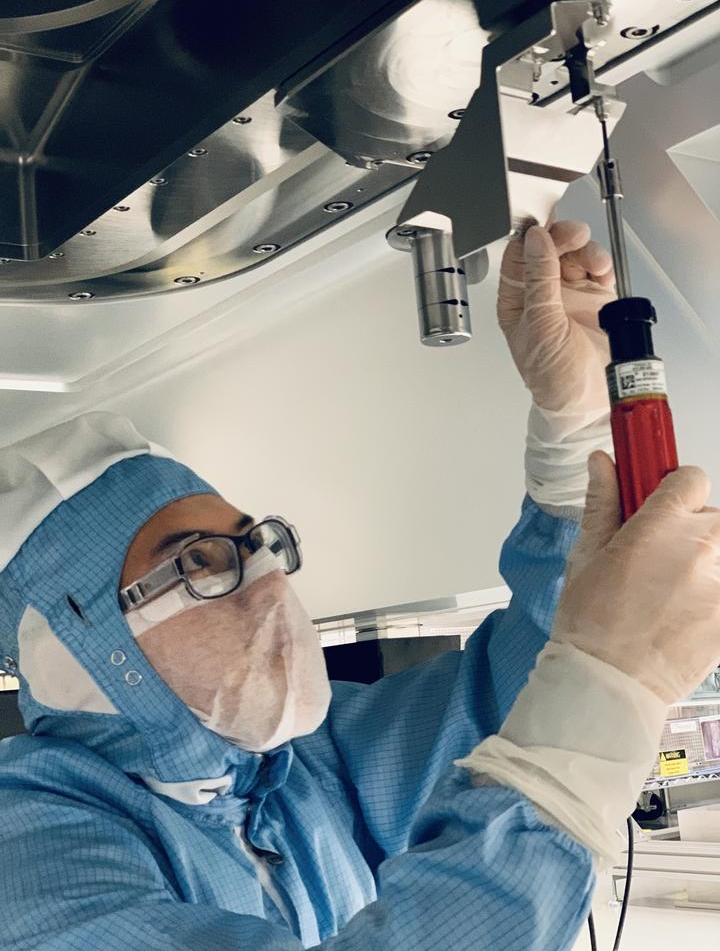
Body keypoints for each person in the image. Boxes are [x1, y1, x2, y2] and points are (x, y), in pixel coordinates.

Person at [1, 222, 719, 951]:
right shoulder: (25, 856)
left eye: (258, 545)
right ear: (75, 641)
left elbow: (523, 692)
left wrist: (575, 439)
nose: (265, 581)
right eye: (201, 562)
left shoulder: (300, 768)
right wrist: (599, 698)